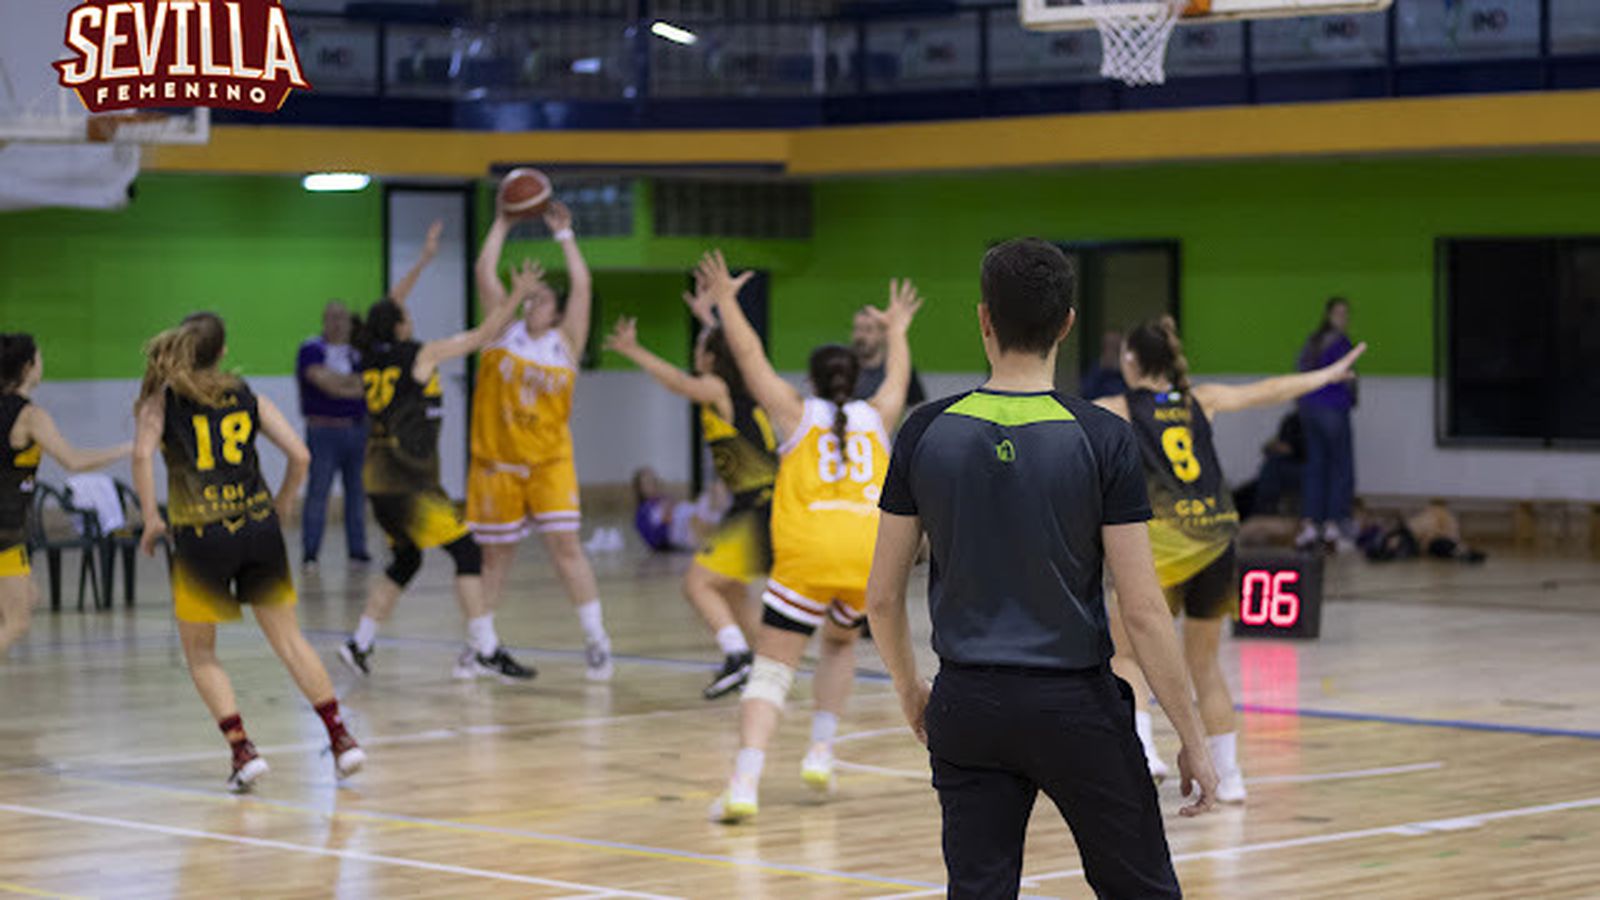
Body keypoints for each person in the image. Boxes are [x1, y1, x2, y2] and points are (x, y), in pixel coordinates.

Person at [866, 239, 1215, 900]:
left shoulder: (923, 431)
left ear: (983, 319)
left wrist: (911, 690)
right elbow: (1143, 609)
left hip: (966, 702)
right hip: (1075, 707)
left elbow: (881, 597)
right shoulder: (1102, 436)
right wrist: (1191, 735)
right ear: (1067, 324)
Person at [1099, 315, 1365, 803]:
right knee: (1205, 665)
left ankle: (1144, 751)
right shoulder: (1201, 400)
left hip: (1164, 545)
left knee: (1126, 655)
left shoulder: (1117, 408)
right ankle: (1230, 777)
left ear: (1131, 360)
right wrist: (1327, 375)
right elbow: (1269, 390)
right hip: (1218, 541)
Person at [702, 249, 922, 823]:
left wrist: (726, 302)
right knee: (841, 644)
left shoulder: (795, 413)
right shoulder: (878, 415)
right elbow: (898, 378)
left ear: (812, 380)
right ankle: (822, 752)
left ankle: (744, 782)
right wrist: (898, 329)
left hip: (808, 554)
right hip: (865, 556)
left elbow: (748, 357)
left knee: (773, 669)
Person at [133, 313, 365, 791]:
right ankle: (341, 738)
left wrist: (151, 517)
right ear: (222, 352)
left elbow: (140, 455)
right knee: (289, 640)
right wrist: (284, 500)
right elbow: (300, 455)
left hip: (202, 535)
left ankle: (243, 750)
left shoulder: (163, 401)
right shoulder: (245, 394)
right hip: (258, 527)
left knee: (201, 653)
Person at [337, 263, 529, 681]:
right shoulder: (419, 354)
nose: (411, 318)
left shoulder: (370, 358)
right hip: (407, 481)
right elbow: (483, 335)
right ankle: (487, 649)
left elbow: (389, 305)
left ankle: (359, 643)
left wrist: (425, 259)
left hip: (378, 479)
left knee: (407, 560)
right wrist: (517, 295)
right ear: (400, 326)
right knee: (467, 551)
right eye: (406, 315)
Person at [604, 288, 779, 700]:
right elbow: (729, 347)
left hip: (757, 507)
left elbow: (680, 382)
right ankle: (768, 671)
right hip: (762, 505)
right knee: (732, 592)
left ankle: (738, 658)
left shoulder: (716, 388)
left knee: (696, 583)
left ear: (712, 359)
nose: (696, 352)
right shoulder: (745, 387)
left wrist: (634, 351)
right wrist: (708, 317)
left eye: (701, 346)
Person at [470, 201, 615, 681]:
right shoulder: (501, 331)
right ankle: (480, 645)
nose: (534, 305)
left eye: (543, 301)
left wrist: (565, 235)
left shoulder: (565, 342)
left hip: (550, 463)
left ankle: (596, 639)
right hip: (500, 463)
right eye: (530, 299)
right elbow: (483, 271)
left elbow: (584, 287)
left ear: (556, 311)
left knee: (565, 548)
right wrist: (503, 222)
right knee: (495, 557)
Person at [0, 334, 130, 656]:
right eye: (39, 358)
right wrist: (128, 448)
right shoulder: (30, 416)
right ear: (28, 367)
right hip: (5, 527)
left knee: (28, 597)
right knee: (17, 621)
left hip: (9, 525)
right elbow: (74, 461)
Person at [1296, 297, 1359, 551]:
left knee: (1316, 466)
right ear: (1331, 316)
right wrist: (1352, 398)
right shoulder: (1341, 342)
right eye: (1341, 314)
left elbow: (1300, 370)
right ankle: (1334, 525)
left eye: (1346, 314)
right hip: (1333, 408)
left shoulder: (1313, 341)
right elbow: (1349, 378)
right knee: (1340, 467)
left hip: (1309, 409)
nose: (1344, 319)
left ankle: (1311, 525)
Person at [629, 466, 726, 554]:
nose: (654, 484)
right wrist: (665, 520)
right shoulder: (642, 514)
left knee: (709, 499)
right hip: (679, 530)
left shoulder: (664, 499)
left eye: (655, 480)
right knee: (703, 512)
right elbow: (654, 542)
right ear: (640, 488)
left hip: (688, 517)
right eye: (648, 482)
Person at [851, 303, 926, 411]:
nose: (860, 336)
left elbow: (917, 407)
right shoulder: (841, 366)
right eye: (857, 329)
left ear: (883, 334)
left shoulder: (899, 369)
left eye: (868, 330)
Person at [1235, 411, 1305, 520]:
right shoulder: (1292, 420)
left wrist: (1292, 449)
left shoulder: (1316, 420)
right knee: (1246, 492)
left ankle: (1261, 512)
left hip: (1302, 469)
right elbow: (1274, 445)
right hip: (1281, 465)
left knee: (1272, 471)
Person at [1080, 329, 1128, 400]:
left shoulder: (1126, 368)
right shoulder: (1096, 368)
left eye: (1114, 346)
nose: (1111, 350)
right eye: (1109, 345)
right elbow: (1086, 392)